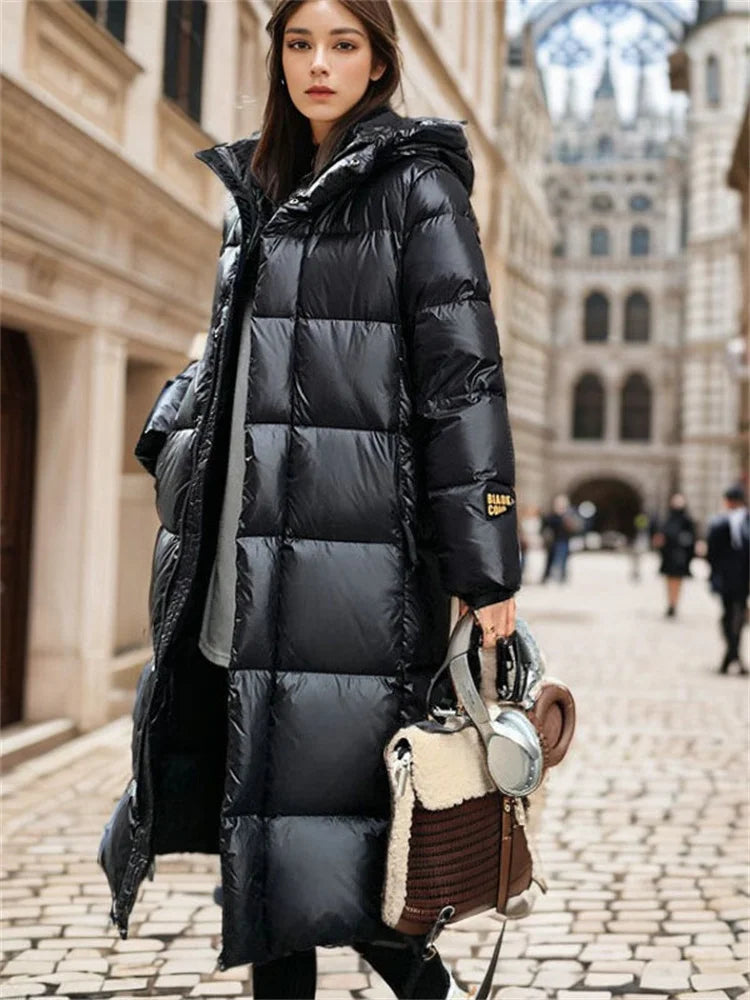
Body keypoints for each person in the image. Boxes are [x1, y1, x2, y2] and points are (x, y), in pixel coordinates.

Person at [97, 3, 521, 998]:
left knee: (350, 843)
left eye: (341, 44)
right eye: (298, 43)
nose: (317, 64)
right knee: (264, 841)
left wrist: (487, 565)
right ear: (278, 57)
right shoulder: (257, 188)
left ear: (377, 63)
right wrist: (175, 431)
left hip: (353, 578)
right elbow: (228, 360)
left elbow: (463, 386)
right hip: (235, 571)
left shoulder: (418, 189)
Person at [707, 485, 749, 675]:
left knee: (737, 616)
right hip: (726, 578)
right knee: (728, 616)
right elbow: (713, 552)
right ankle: (734, 656)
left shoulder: (746, 521)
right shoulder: (720, 522)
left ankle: (731, 656)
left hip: (743, 577)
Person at [652, 493, 696, 617]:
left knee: (677, 580)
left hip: (680, 555)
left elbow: (691, 537)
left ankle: (674, 603)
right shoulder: (667, 518)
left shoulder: (686, 520)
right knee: (669, 579)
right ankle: (670, 602)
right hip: (668, 554)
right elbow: (661, 533)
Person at [540, 494, 578, 584]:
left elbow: (575, 529)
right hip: (552, 541)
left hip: (564, 541)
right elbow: (544, 527)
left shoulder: (568, 516)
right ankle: (547, 576)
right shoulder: (551, 516)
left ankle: (562, 577)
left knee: (563, 559)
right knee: (550, 559)